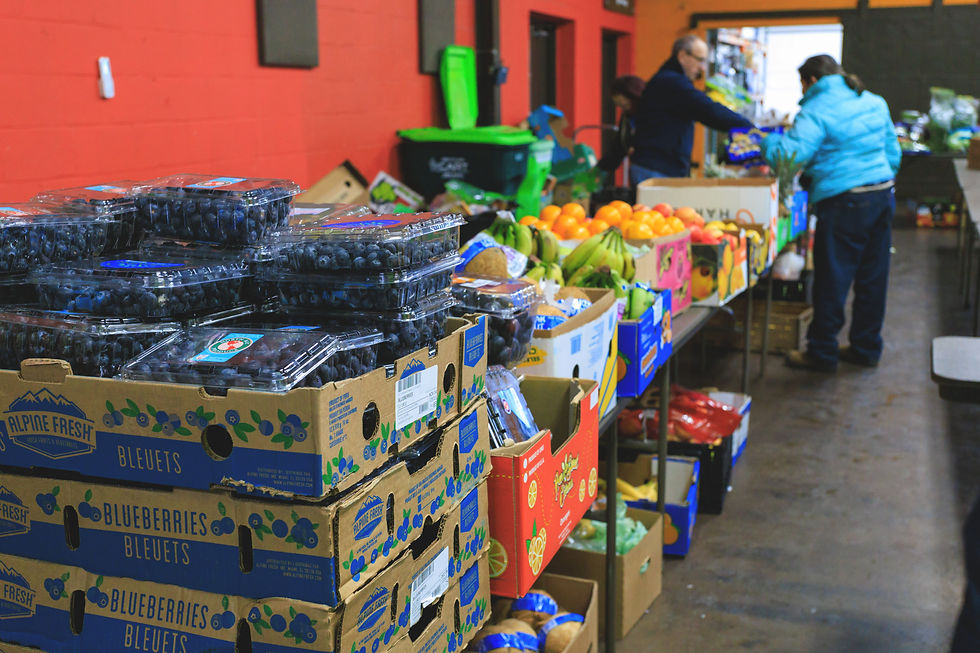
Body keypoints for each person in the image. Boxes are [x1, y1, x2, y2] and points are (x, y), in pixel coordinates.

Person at [761, 54, 901, 372]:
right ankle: (866, 347)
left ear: (811, 80)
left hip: (844, 201)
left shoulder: (815, 109)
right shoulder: (873, 100)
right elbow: (892, 151)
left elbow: (791, 156)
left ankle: (822, 352)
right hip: (880, 195)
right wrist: (877, 178)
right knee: (873, 278)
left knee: (832, 279)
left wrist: (766, 143)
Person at [631, 34, 754, 185]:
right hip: (657, 169)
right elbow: (708, 110)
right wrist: (748, 127)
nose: (702, 67)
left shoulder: (668, 79)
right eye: (700, 60)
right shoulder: (672, 83)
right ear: (682, 56)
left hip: (657, 166)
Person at [595, 75, 645, 185]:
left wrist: (637, 145)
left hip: (653, 168)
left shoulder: (650, 113)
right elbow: (619, 145)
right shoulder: (628, 116)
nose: (618, 104)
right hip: (639, 167)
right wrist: (601, 167)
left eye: (622, 102)